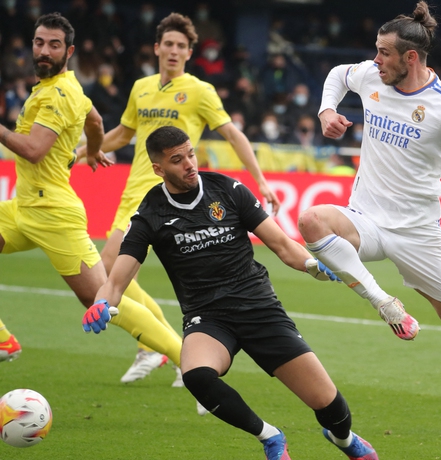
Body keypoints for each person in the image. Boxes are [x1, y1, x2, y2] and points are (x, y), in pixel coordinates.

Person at [87, 125, 378, 460]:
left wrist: (313, 266)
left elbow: (282, 244)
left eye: (191, 154)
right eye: (177, 160)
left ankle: (344, 440)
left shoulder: (227, 189)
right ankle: (270, 437)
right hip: (208, 318)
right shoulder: (150, 213)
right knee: (196, 374)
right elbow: (116, 281)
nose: (189, 164)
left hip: (259, 308)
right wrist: (100, 305)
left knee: (328, 404)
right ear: (158, 168)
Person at [77, 12, 282, 385]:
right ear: (157, 48)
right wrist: (80, 150)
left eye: (181, 46)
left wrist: (261, 181)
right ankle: (153, 347)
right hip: (133, 193)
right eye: (167, 44)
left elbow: (233, 135)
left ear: (190, 52)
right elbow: (123, 134)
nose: (173, 51)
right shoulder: (141, 87)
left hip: (171, 197)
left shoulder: (200, 91)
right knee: (111, 273)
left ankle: (165, 348)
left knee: (106, 268)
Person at [297, 1, 441, 342]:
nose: (375, 60)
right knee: (311, 221)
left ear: (410, 58)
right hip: (365, 218)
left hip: (416, 232)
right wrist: (327, 110)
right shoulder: (370, 76)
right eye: (376, 51)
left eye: (384, 53)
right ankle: (385, 303)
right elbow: (337, 75)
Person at [0, 13, 182, 371]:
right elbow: (96, 121)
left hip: (54, 214)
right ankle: (4, 341)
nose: (44, 51)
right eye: (39, 42)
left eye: (54, 45)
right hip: (24, 207)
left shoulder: (58, 95)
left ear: (68, 51)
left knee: (102, 300)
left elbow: (34, 149)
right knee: (106, 297)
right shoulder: (66, 89)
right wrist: (95, 148)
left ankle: (187, 360)